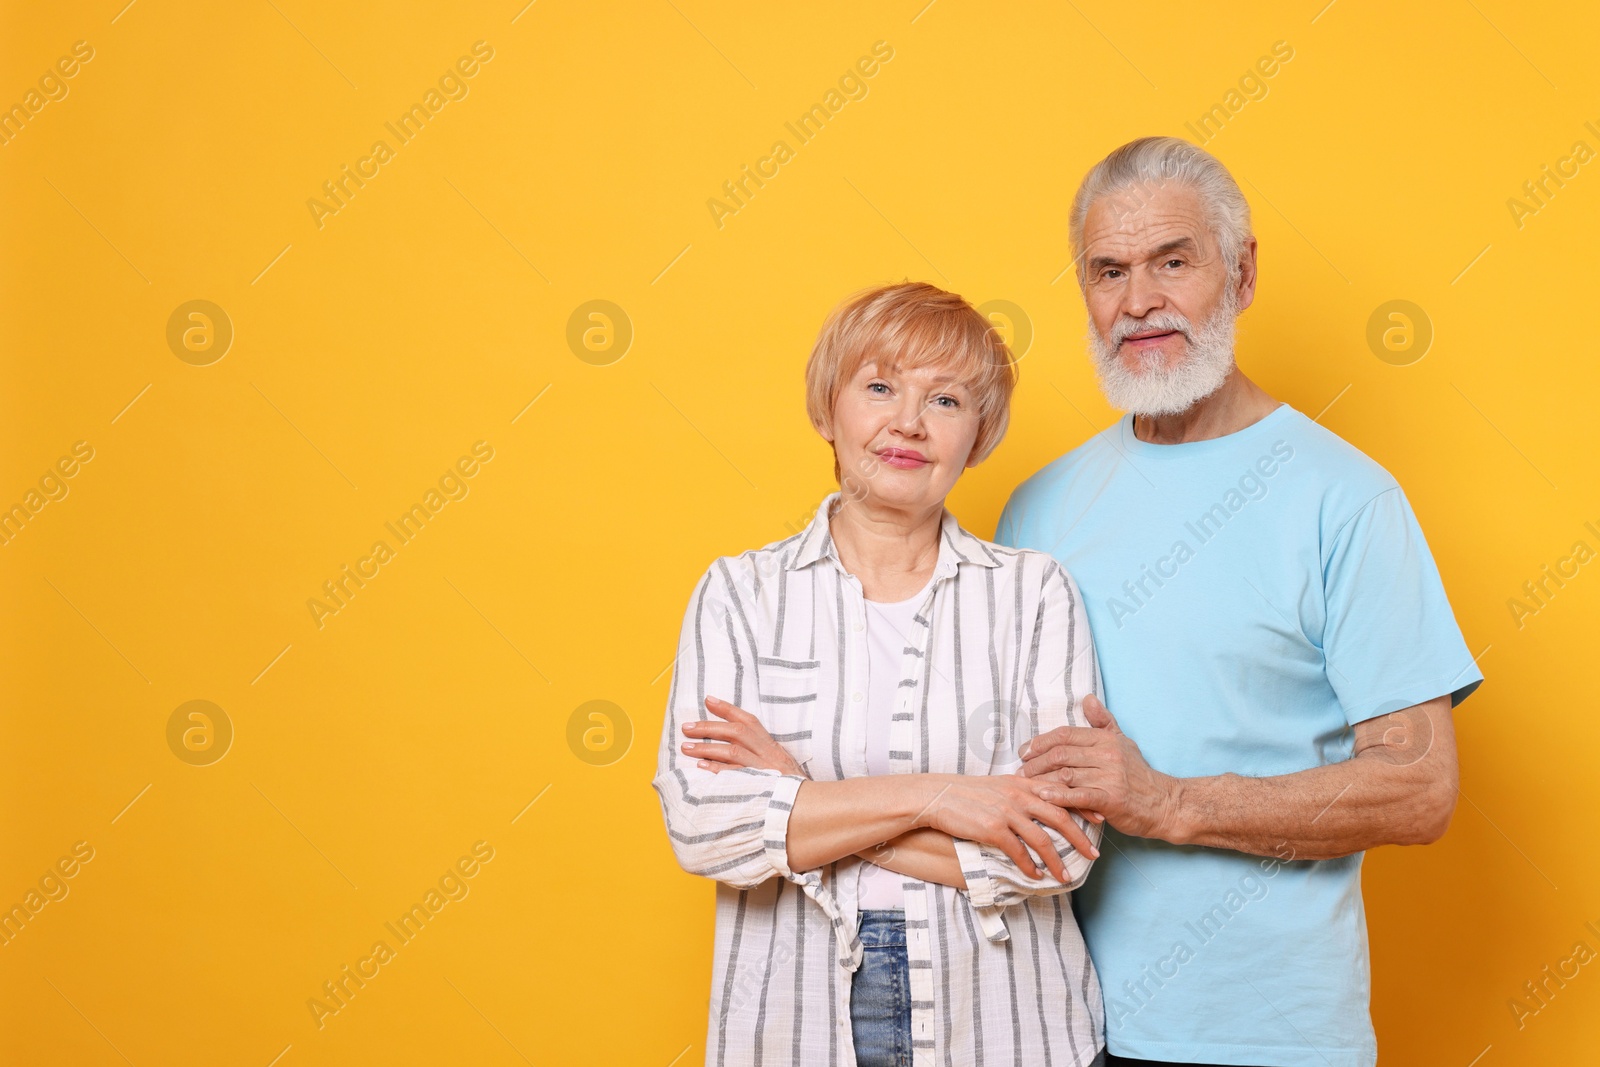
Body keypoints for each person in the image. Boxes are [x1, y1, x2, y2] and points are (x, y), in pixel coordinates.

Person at [1000, 136, 1483, 1067]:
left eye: (1172, 262)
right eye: (1108, 272)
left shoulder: (1347, 499)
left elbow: (1421, 786)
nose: (1138, 301)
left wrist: (1169, 801)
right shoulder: (1037, 504)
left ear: (1243, 270)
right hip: (1049, 1024)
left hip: (1266, 1039)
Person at [652, 281, 1109, 1067]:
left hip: (1005, 1023)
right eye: (879, 386)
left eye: (946, 399)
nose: (908, 421)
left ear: (980, 432)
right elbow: (703, 824)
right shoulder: (740, 593)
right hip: (794, 1020)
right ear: (828, 410)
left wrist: (802, 799)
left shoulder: (1036, 592)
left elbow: (1058, 850)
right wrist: (944, 797)